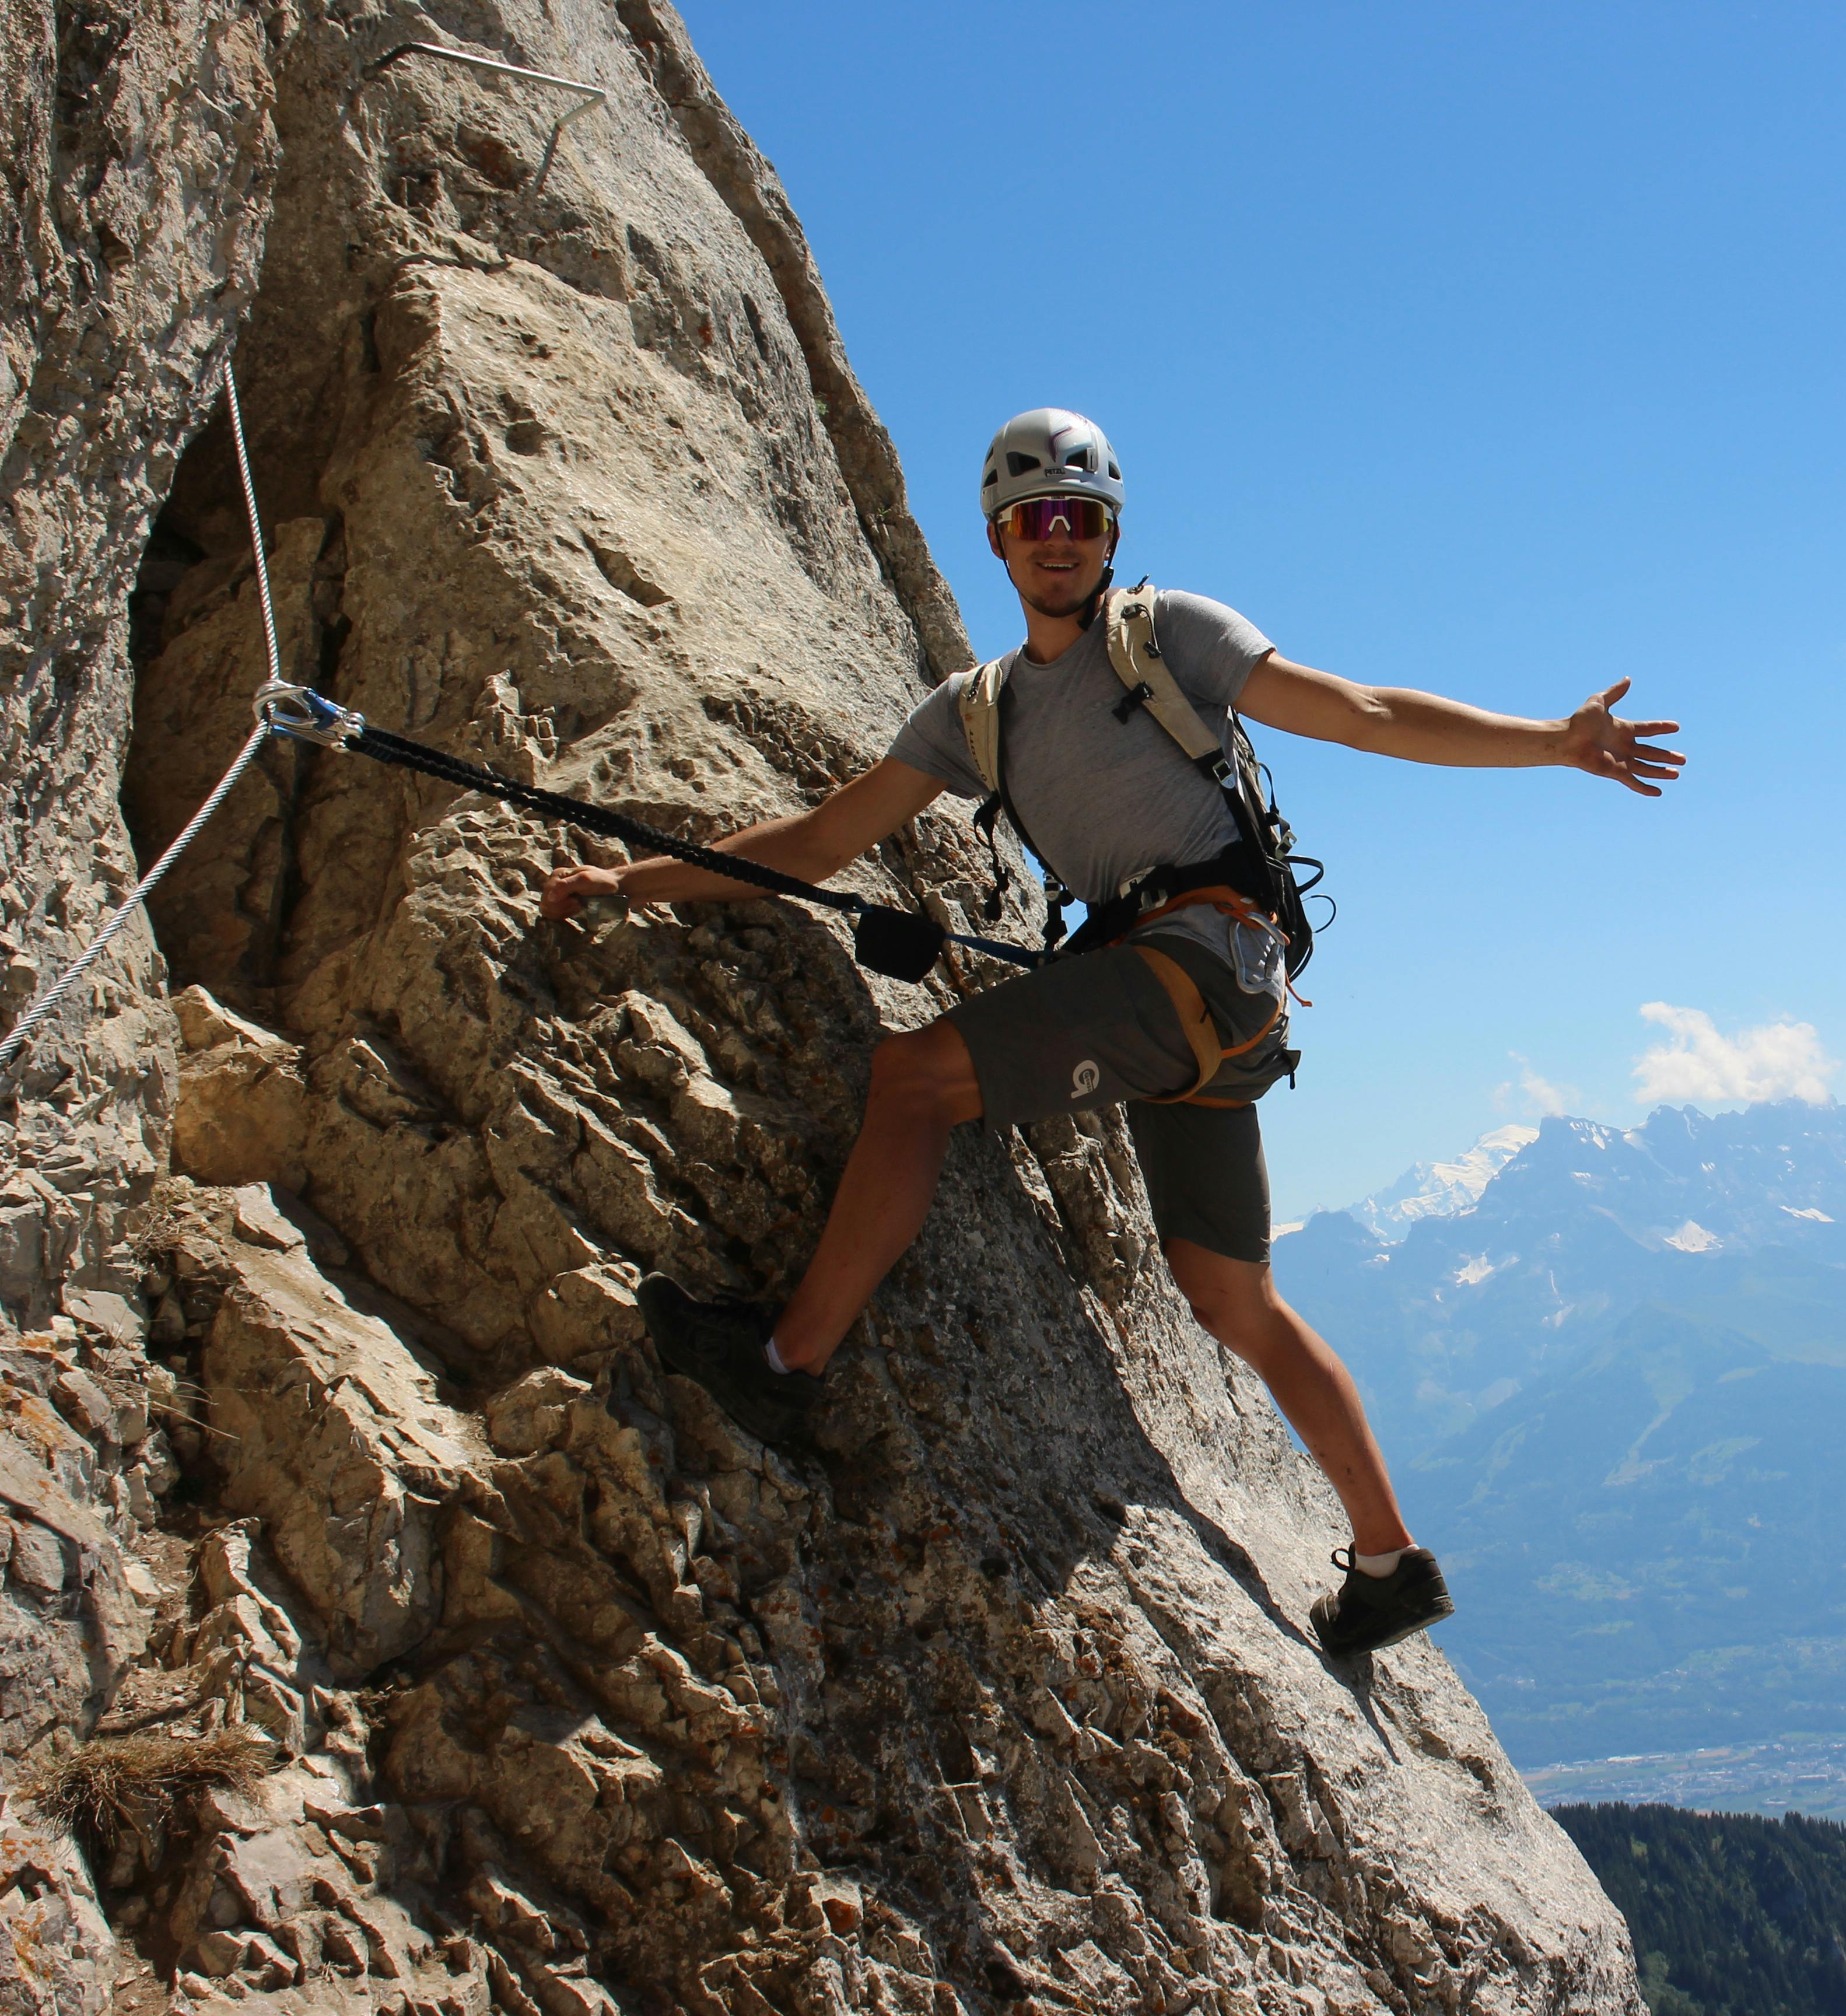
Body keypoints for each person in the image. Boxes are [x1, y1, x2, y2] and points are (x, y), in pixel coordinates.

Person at [541, 408, 1684, 1657]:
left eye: (1078, 518)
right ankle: (1389, 1564)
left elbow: (1359, 711)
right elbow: (820, 841)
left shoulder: (1169, 635)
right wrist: (632, 885)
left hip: (1199, 966)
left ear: (1110, 531)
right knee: (1232, 1299)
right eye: (1033, 519)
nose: (1057, 539)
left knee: (915, 1079)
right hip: (1198, 1007)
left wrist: (1555, 744)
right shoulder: (973, 717)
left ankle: (783, 1362)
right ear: (995, 537)